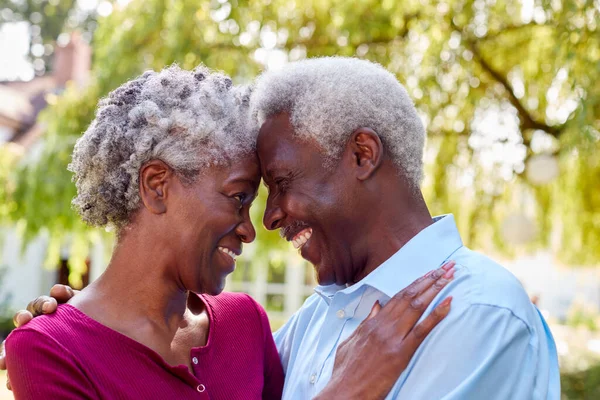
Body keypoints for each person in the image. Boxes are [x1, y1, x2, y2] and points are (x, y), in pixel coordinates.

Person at [0, 64, 455, 400]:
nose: (250, 229)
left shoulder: (245, 323)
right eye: (238, 197)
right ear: (157, 186)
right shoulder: (49, 350)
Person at [248, 57, 560, 399]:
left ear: (362, 155)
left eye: (280, 182)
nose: (269, 218)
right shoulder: (313, 319)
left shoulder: (481, 311)